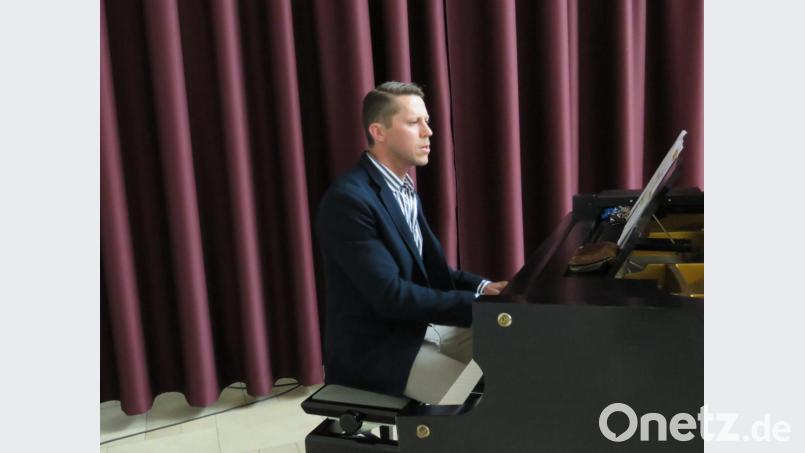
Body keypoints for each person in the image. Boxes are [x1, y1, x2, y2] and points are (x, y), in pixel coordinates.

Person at [316, 81, 508, 404]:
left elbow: (433, 272)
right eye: (413, 122)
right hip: (377, 348)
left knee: (514, 342)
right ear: (379, 131)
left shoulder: (403, 189)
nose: (428, 132)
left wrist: (485, 289)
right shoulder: (349, 201)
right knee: (481, 405)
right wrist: (479, 305)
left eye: (427, 121)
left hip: (417, 329)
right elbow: (391, 296)